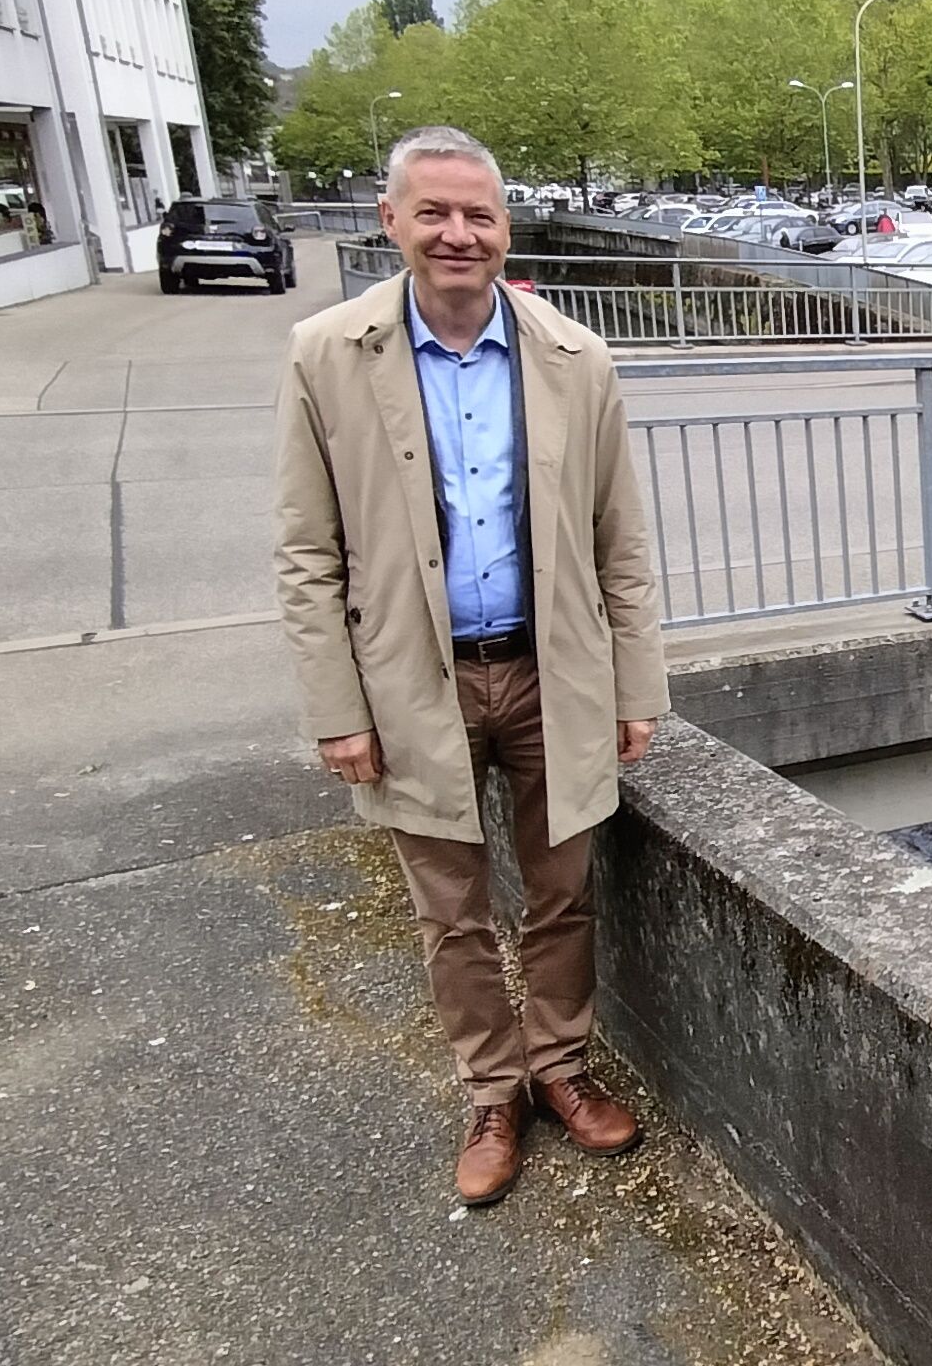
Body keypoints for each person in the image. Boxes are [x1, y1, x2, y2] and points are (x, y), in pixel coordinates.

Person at [271, 125, 670, 1208]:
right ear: (392, 221)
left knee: (562, 893)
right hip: (414, 678)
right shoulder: (326, 355)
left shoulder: (577, 358)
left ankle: (561, 1071)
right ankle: (490, 1092)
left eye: (479, 214)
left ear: (506, 226)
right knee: (450, 909)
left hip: (552, 672)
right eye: (434, 213)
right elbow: (307, 555)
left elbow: (619, 540)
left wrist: (638, 688)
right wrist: (336, 711)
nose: (459, 234)